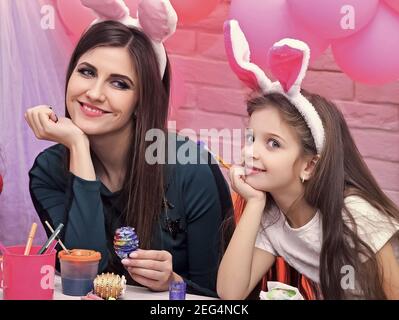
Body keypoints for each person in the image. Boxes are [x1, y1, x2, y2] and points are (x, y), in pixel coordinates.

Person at [26, 2, 234, 298]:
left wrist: (173, 281)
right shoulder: (49, 171)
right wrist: (78, 147)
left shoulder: (191, 167)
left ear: (142, 101)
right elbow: (85, 277)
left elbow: (224, 296)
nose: (95, 93)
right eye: (86, 72)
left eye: (119, 84)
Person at [217, 20, 399, 300]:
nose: (251, 152)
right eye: (251, 138)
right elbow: (231, 293)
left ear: (309, 165)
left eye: (273, 143)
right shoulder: (274, 218)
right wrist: (253, 204)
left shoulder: (354, 215)